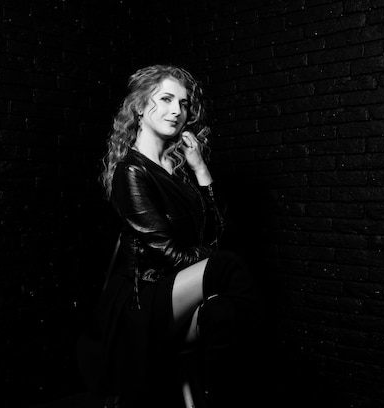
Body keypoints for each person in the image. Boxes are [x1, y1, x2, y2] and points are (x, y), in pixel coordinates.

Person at [93, 65, 261, 407]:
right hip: (144, 297)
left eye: (184, 104)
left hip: (177, 288)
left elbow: (220, 231)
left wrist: (200, 168)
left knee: (223, 314)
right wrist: (211, 261)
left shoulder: (181, 168)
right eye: (166, 99)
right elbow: (168, 256)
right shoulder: (132, 171)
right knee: (227, 265)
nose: (177, 111)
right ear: (140, 106)